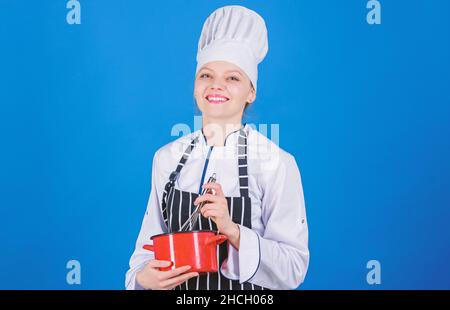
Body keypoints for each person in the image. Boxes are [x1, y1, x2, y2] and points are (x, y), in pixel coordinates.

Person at [125, 5, 309, 290]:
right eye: (206, 75)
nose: (216, 85)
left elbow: (293, 268)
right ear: (195, 85)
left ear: (251, 92)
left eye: (232, 78)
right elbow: (145, 252)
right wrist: (142, 278)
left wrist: (232, 230)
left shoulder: (276, 163)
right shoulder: (166, 159)